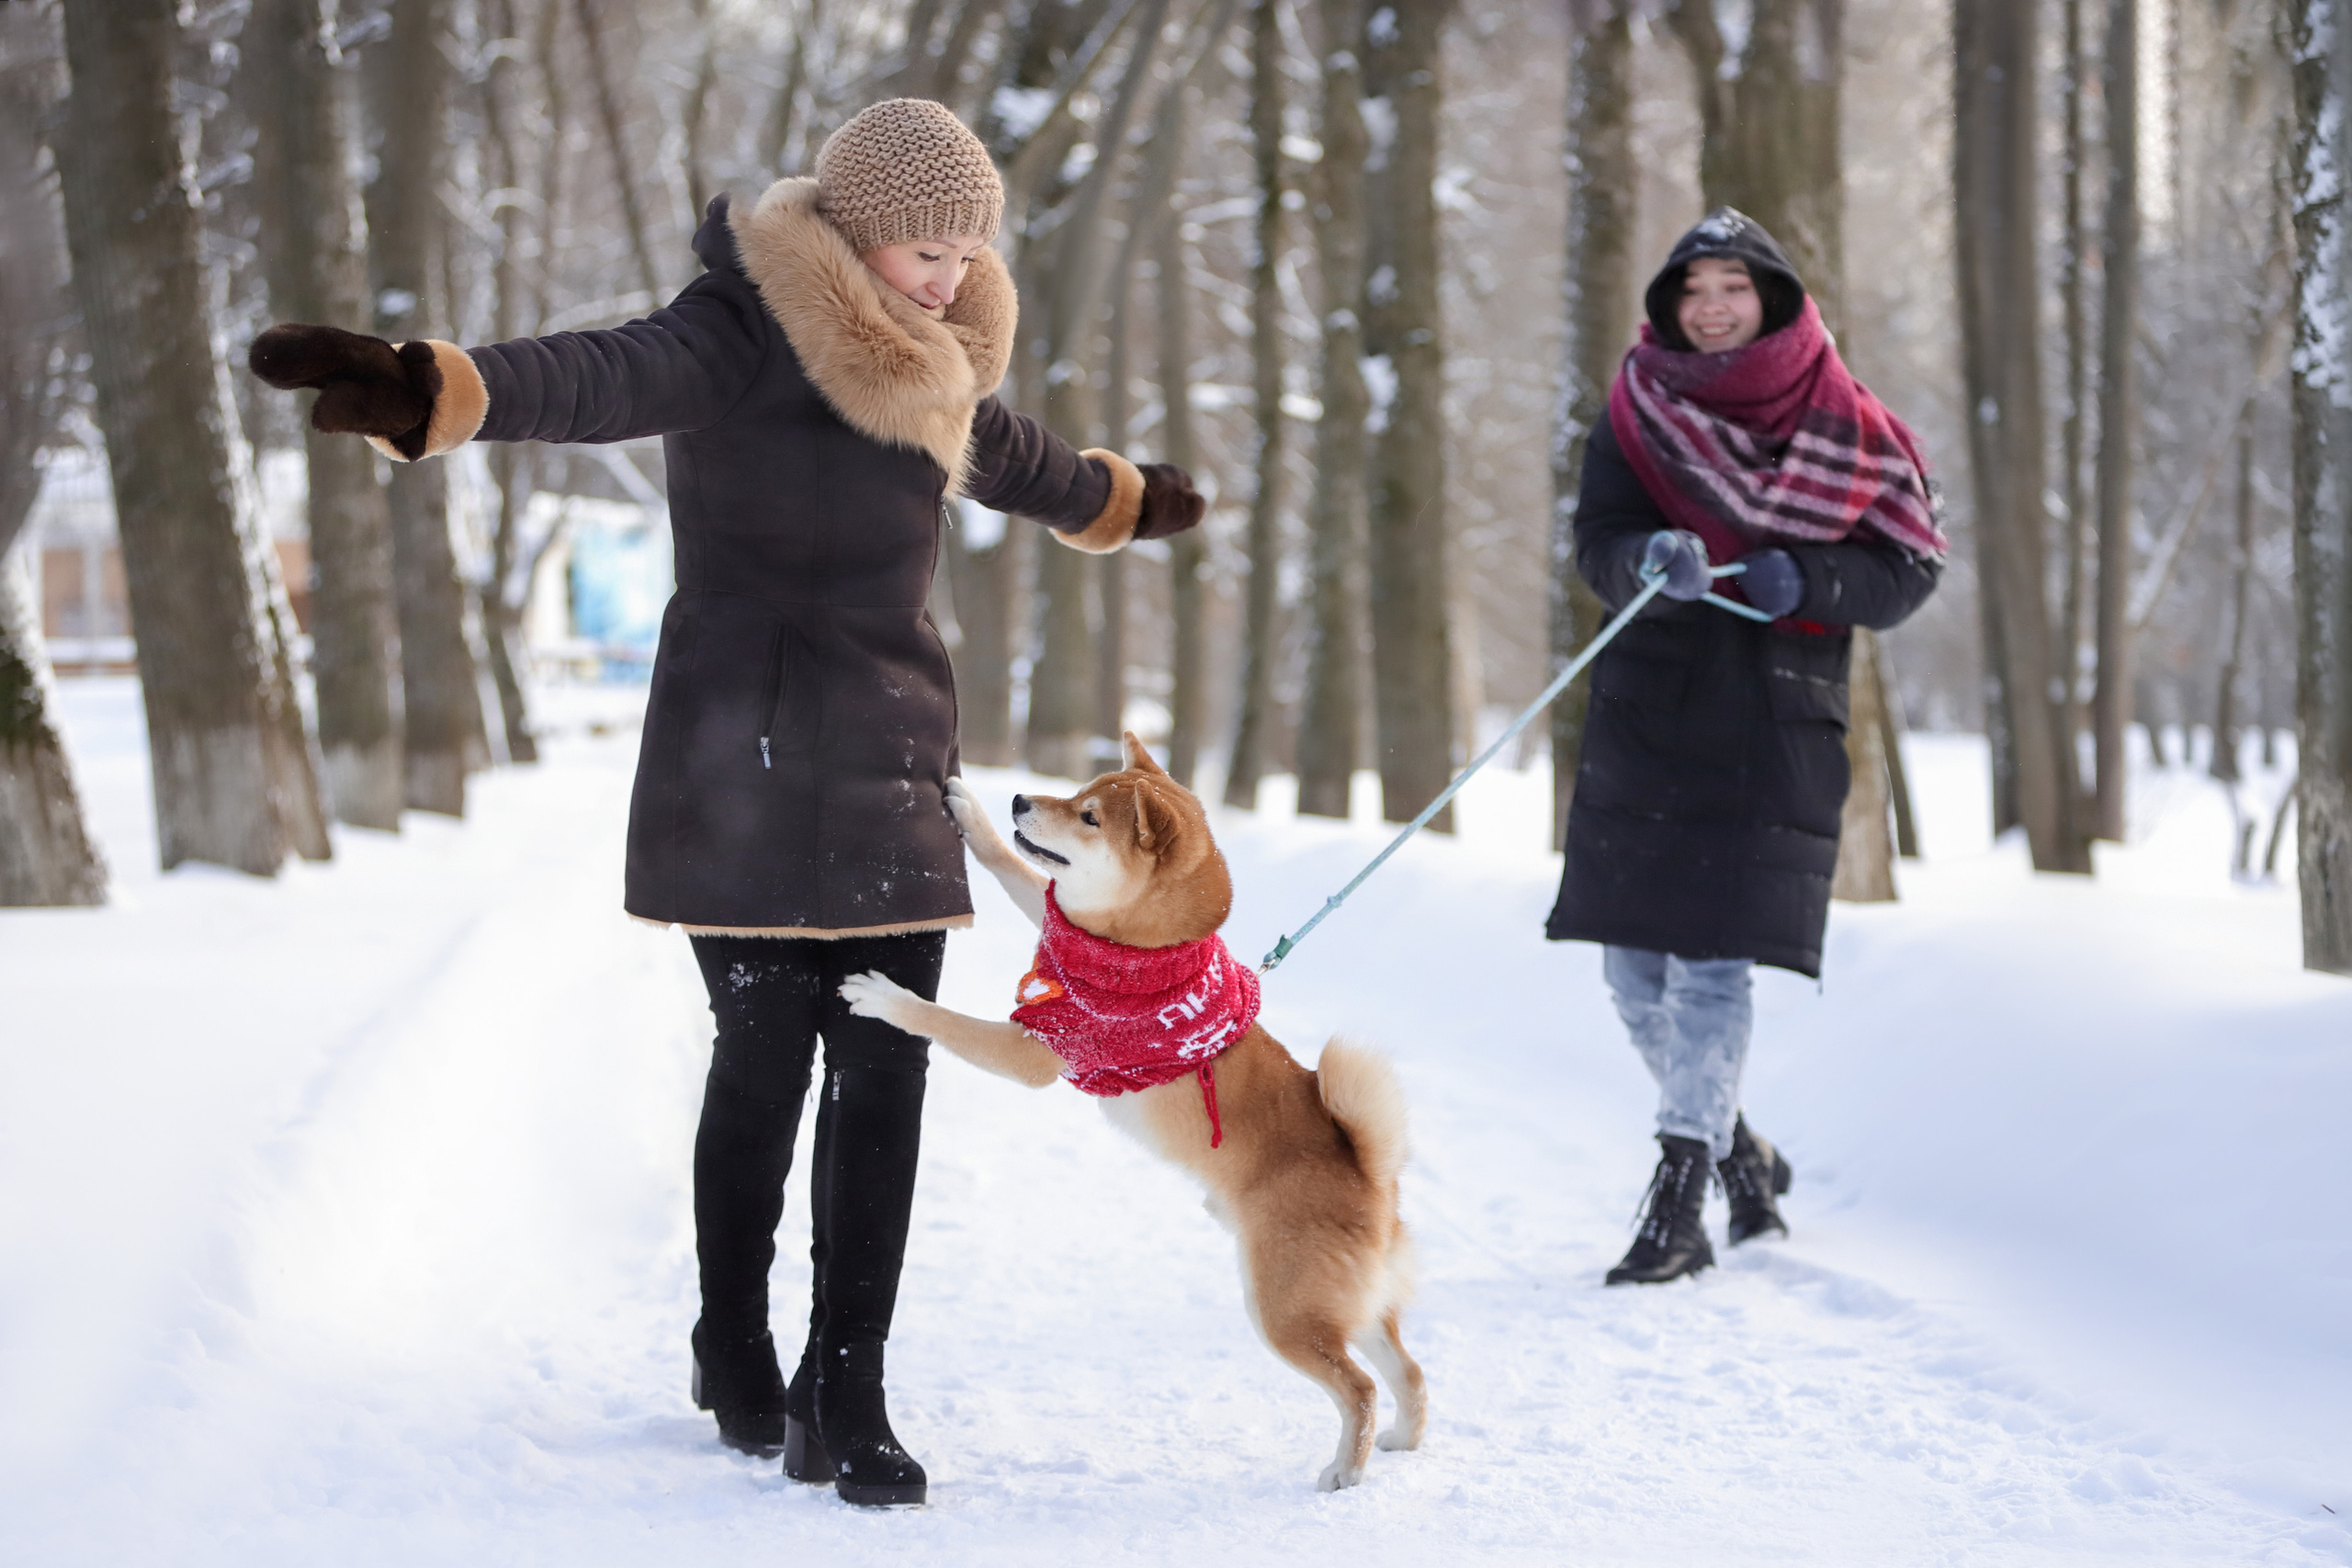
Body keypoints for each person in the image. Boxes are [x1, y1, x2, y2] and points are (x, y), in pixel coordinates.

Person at [248, 98, 1204, 1505]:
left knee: (886, 1063)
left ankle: (849, 1386)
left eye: (964, 256)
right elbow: (596, 375)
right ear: (857, 231)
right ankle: (731, 1334)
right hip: (742, 754)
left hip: (890, 755)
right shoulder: (740, 325)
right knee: (764, 1060)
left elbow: (1025, 461)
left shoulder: (935, 367)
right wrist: (429, 387)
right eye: (921, 253)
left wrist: (1121, 499)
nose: (947, 281)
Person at [1545, 208, 1945, 1287]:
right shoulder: (1635, 409)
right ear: (1669, 306)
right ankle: (1743, 1151)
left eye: (1732, 287)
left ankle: (1681, 1195)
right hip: (1650, 706)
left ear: (1771, 297)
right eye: (1693, 289)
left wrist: (1806, 580)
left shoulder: (1849, 421)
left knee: (1713, 964)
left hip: (1773, 715)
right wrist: (1645, 559)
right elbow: (1593, 542)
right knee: (1634, 974)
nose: (1711, 306)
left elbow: (1906, 569)